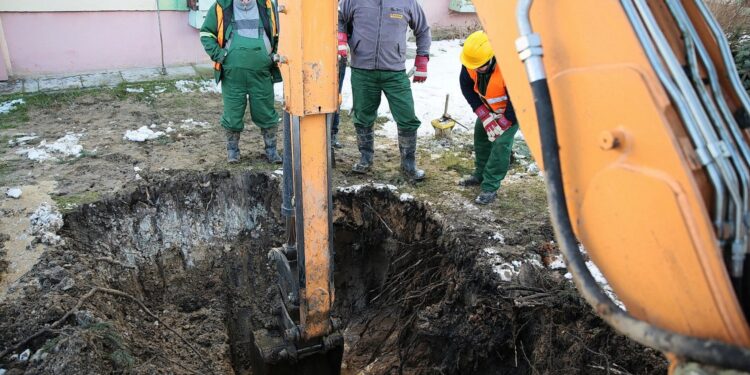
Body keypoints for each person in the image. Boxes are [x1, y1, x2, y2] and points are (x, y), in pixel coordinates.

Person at [338, 0, 431, 181]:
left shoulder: (408, 2)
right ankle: (365, 159)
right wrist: (341, 37)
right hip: (362, 70)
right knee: (363, 115)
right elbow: (339, 17)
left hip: (395, 72)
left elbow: (423, 30)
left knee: (407, 117)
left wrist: (422, 59)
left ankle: (408, 165)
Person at [200, 0, 282, 164]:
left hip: (261, 72)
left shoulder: (267, 6)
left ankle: (271, 151)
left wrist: (274, 55)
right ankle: (233, 151)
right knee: (233, 112)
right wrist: (220, 55)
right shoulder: (221, 7)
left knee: (265, 111)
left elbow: (282, 35)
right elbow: (206, 35)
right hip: (232, 74)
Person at [459, 31, 520, 205]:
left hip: (512, 110)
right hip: (489, 108)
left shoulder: (509, 68)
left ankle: (490, 186)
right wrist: (483, 114)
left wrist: (504, 121)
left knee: (500, 144)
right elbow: (467, 88)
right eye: (474, 66)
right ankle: (480, 173)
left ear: (492, 57)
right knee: (481, 137)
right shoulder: (471, 62)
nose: (477, 69)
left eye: (481, 66)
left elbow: (518, 99)